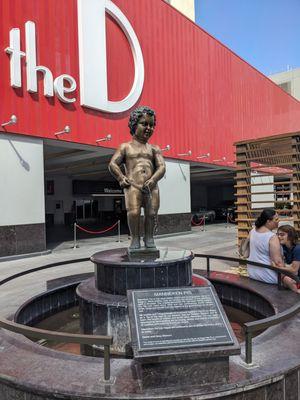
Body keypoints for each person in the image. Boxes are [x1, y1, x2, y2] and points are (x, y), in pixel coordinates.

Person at [108, 106, 166, 250]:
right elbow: (113, 164)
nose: (149, 128)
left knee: (151, 214)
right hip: (133, 186)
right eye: (144, 124)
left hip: (152, 187)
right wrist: (121, 178)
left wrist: (153, 180)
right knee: (133, 213)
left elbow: (162, 167)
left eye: (151, 125)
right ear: (134, 125)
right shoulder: (125, 147)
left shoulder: (154, 149)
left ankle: (149, 238)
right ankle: (135, 239)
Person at [247, 208, 285, 284]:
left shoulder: (253, 231)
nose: (279, 221)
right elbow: (278, 262)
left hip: (252, 273)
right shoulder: (272, 237)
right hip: (268, 277)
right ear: (268, 221)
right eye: (276, 219)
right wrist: (287, 277)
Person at [277, 225, 300, 294]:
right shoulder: (283, 247)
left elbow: (294, 270)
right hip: (296, 276)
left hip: (297, 276)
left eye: (282, 235)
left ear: (290, 236)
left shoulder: (297, 248)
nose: (279, 237)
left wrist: (276, 267)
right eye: (278, 235)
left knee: (285, 279)